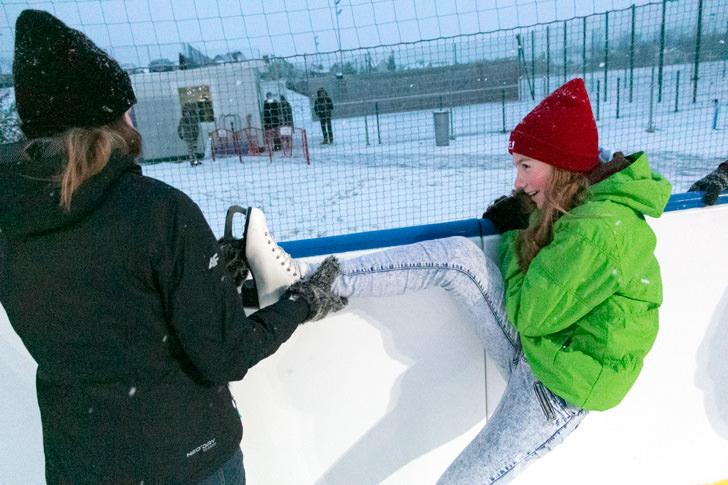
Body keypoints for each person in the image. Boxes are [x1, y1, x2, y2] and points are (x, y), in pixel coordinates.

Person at [242, 78, 672, 483]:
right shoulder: (574, 200)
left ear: (561, 167)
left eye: (526, 166)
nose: (518, 181)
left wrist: (512, 233)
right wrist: (521, 225)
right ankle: (310, 282)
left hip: (560, 388)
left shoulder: (597, 231)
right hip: (546, 349)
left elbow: (527, 315)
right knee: (459, 257)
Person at [0, 10, 345, 484]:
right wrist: (301, 302)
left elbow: (100, 308)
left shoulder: (9, 225)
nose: (132, 118)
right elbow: (226, 353)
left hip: (80, 466)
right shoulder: (158, 212)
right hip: (187, 461)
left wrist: (206, 277)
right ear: (106, 119)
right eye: (126, 109)